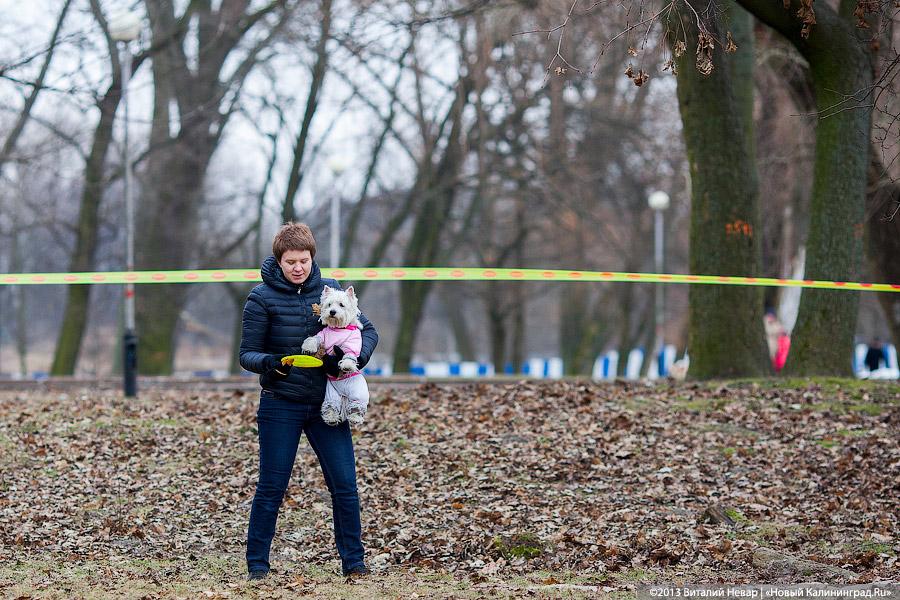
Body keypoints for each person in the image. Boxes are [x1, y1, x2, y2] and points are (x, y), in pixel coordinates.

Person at [239, 222, 378, 581]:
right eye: (290, 262)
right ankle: (257, 566)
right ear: (279, 261)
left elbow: (368, 331)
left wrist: (352, 362)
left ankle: (354, 563)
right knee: (272, 486)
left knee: (344, 485)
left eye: (303, 260)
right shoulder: (260, 297)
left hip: (326, 401)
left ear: (312, 258)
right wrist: (270, 363)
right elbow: (247, 354)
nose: (298, 267)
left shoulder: (332, 292)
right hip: (280, 402)